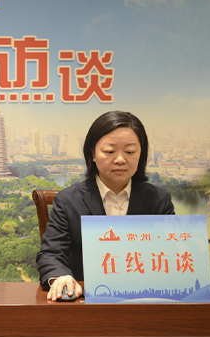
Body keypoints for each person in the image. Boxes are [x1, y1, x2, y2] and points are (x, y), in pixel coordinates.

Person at [36, 111, 174, 302]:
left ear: (141, 154)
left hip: (145, 301)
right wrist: (61, 278)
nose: (120, 159)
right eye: (110, 151)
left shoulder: (158, 200)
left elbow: (173, 254)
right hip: (86, 303)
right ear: (93, 153)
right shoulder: (68, 201)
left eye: (130, 152)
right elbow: (51, 254)